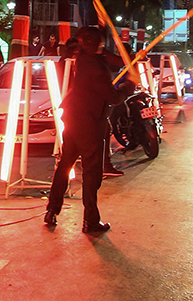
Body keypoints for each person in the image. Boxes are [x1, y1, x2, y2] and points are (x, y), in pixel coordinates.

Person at [45, 26, 120, 234]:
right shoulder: (95, 68)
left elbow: (109, 57)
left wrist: (130, 58)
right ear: (97, 44)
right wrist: (130, 84)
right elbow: (114, 97)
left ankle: (51, 210)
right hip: (89, 125)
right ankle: (90, 221)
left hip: (73, 122)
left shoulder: (84, 58)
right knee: (91, 173)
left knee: (64, 166)